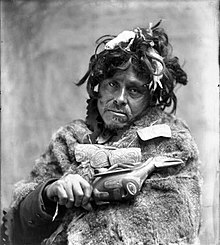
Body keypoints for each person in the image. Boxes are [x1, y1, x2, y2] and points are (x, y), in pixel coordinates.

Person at [2, 21, 201, 245]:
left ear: (150, 98)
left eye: (134, 90)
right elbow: (15, 228)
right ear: (99, 86)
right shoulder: (69, 140)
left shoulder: (172, 144)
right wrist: (51, 192)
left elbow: (172, 225)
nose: (120, 98)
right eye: (113, 84)